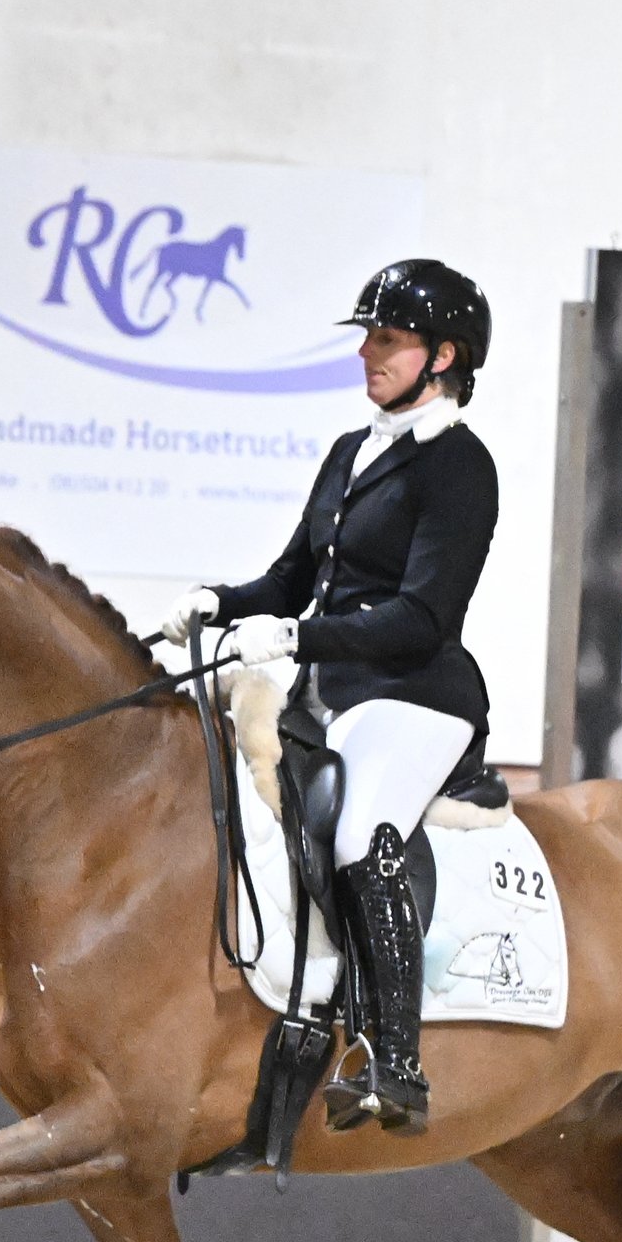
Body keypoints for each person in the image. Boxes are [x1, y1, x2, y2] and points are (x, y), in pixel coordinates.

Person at [158, 258, 498, 1136]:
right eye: (367, 339)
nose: (368, 355)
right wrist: (220, 603)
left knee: (358, 830)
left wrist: (300, 636)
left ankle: (398, 1060)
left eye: (387, 340)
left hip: (416, 694)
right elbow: (292, 577)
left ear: (443, 355)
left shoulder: (460, 468)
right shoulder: (352, 453)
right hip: (333, 689)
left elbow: (422, 617)